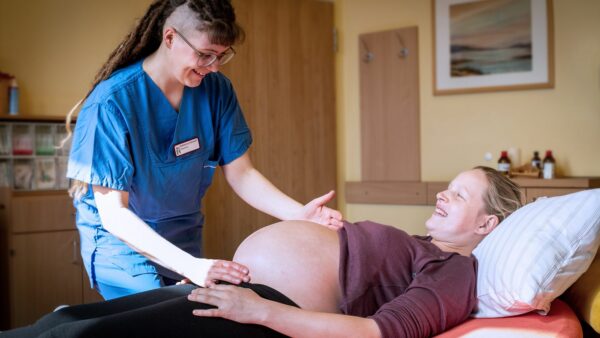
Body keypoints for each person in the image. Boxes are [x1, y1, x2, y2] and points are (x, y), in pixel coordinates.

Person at [1, 166, 522, 338]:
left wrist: (261, 311)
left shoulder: (457, 269)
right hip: (240, 290)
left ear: (487, 223)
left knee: (80, 337)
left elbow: (378, 331)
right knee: (62, 320)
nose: (441, 194)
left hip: (265, 307)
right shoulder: (422, 246)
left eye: (457, 194)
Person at [63, 0, 342, 301]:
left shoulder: (216, 90)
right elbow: (115, 215)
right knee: (154, 317)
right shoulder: (112, 103)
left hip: (183, 234)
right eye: (204, 55)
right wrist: (189, 266)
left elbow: (242, 174)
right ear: (169, 38)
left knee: (186, 314)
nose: (213, 67)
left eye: (222, 56)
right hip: (122, 242)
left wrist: (298, 214)